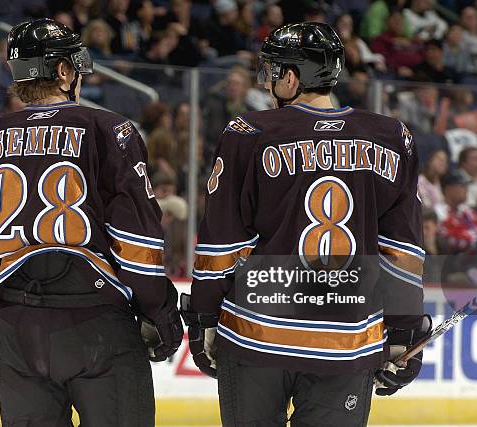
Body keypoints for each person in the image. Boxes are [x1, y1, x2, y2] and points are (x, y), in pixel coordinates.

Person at [182, 23, 429, 426]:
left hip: (257, 335)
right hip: (346, 341)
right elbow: (402, 251)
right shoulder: (391, 137)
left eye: (274, 71)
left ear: (292, 77)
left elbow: (221, 243)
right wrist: (403, 329)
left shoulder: (249, 133)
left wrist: (205, 316)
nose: (269, 80)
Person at [0, 19, 182, 426]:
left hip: (12, 330)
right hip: (97, 323)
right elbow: (136, 237)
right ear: (65, 72)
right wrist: (159, 308)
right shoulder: (108, 130)